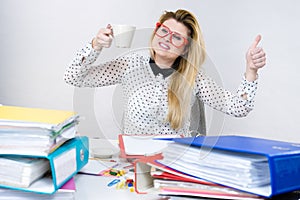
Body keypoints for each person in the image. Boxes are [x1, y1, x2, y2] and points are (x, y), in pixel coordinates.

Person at [64, 9, 266, 136]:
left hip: (175, 167)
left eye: (177, 37)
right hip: (136, 165)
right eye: (163, 31)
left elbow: (239, 107)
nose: (167, 39)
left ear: (186, 48)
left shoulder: (194, 78)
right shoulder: (129, 64)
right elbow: (73, 76)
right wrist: (95, 45)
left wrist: (251, 70)